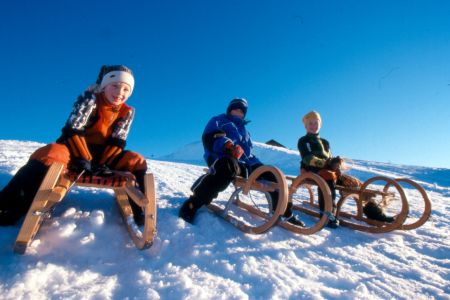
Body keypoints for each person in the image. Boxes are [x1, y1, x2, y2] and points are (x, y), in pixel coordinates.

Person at [0, 65, 147, 226]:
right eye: (115, 86)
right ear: (104, 86)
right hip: (73, 147)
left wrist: (103, 163)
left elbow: (117, 141)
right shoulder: (90, 99)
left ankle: (139, 210)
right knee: (50, 154)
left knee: (136, 160)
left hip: (102, 155)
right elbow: (73, 129)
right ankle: (8, 207)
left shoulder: (127, 111)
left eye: (126, 89)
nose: (120, 92)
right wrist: (83, 158)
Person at [179, 98, 304, 226]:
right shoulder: (219, 120)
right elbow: (210, 137)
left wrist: (260, 166)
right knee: (227, 168)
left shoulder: (245, 131)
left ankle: (284, 213)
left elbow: (248, 153)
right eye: (235, 109)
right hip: (223, 157)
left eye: (241, 111)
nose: (238, 112)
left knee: (273, 175)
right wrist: (227, 145)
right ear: (229, 110)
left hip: (245, 163)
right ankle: (193, 203)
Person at [297, 111, 341, 228]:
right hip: (310, 168)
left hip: (326, 168)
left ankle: (371, 210)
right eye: (310, 123)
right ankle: (326, 214)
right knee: (327, 176)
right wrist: (324, 163)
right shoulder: (304, 140)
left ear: (320, 125)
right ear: (305, 126)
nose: (313, 125)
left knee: (349, 180)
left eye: (316, 123)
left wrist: (335, 164)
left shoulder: (325, 142)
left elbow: (330, 157)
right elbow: (307, 157)